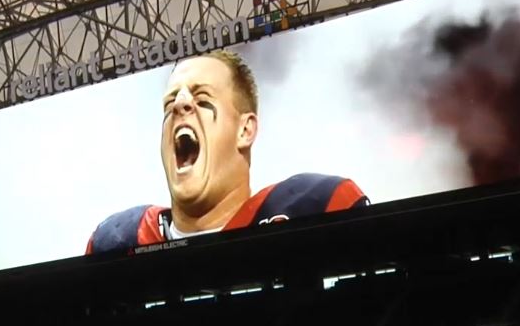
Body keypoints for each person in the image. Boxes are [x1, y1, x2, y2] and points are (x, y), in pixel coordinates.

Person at [86, 49, 369, 254]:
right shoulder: (119, 239)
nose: (179, 105)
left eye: (201, 97)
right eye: (170, 101)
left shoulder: (317, 204)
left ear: (245, 130)